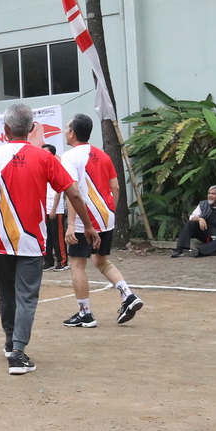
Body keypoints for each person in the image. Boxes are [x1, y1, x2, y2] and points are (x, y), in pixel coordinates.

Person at [0, 104, 98, 375]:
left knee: (6, 294)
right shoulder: (44, 157)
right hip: (31, 240)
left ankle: (11, 342)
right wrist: (88, 226)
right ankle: (18, 353)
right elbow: (73, 193)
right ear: (32, 129)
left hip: (0, 238)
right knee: (27, 296)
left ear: (5, 129)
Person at [60, 113, 144, 328]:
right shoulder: (103, 155)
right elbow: (115, 187)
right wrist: (108, 211)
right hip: (106, 216)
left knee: (77, 264)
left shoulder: (70, 157)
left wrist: (71, 224)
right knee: (101, 260)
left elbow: (73, 192)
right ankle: (128, 295)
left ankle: (85, 314)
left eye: (67, 128)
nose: (65, 131)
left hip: (85, 218)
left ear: (72, 133)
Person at [172, 185, 216, 258]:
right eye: (209, 193)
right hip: (207, 233)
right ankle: (179, 249)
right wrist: (199, 219)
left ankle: (200, 251)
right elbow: (192, 217)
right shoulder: (203, 204)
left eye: (213, 194)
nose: (210, 195)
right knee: (190, 223)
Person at [41, 144, 68, 272]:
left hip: (56, 210)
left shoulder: (56, 167)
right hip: (45, 209)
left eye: (45, 152)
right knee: (47, 238)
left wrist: (53, 209)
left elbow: (59, 190)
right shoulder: (41, 168)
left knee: (58, 237)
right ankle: (48, 261)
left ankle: (63, 261)